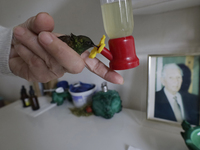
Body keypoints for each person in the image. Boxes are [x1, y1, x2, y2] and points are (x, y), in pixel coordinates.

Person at [0, 12, 124, 85]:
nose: (91, 45)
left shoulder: (80, 49)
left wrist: (8, 48)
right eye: (88, 43)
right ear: (80, 42)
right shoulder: (69, 42)